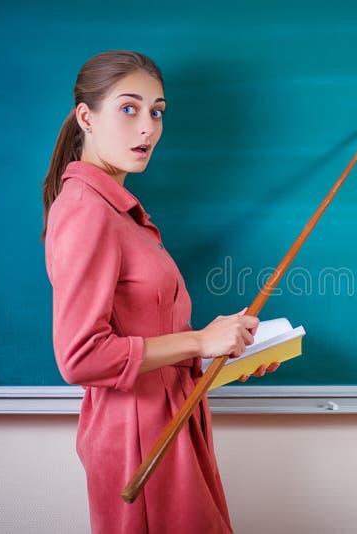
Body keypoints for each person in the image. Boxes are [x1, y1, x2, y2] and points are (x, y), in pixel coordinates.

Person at [42, 50, 278, 534]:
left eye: (157, 111)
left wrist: (228, 349)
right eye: (129, 108)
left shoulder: (119, 211)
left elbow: (149, 336)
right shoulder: (86, 209)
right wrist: (197, 342)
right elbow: (80, 356)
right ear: (86, 117)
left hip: (170, 425)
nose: (147, 127)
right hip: (138, 436)